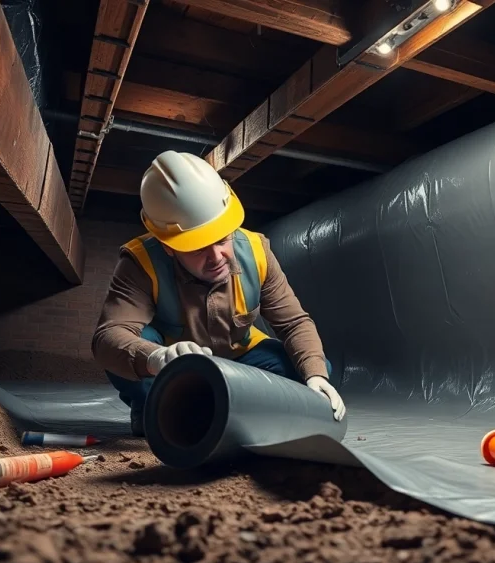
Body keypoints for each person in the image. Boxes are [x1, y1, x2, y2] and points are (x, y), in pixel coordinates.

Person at [92, 150, 345, 436]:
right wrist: (155, 358)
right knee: (129, 352)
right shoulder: (140, 262)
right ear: (168, 246)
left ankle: (226, 410)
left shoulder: (257, 251)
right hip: (174, 365)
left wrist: (315, 375)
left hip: (242, 359)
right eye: (198, 247)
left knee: (313, 362)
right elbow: (107, 338)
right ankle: (156, 405)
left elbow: (294, 323)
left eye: (223, 238)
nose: (217, 257)